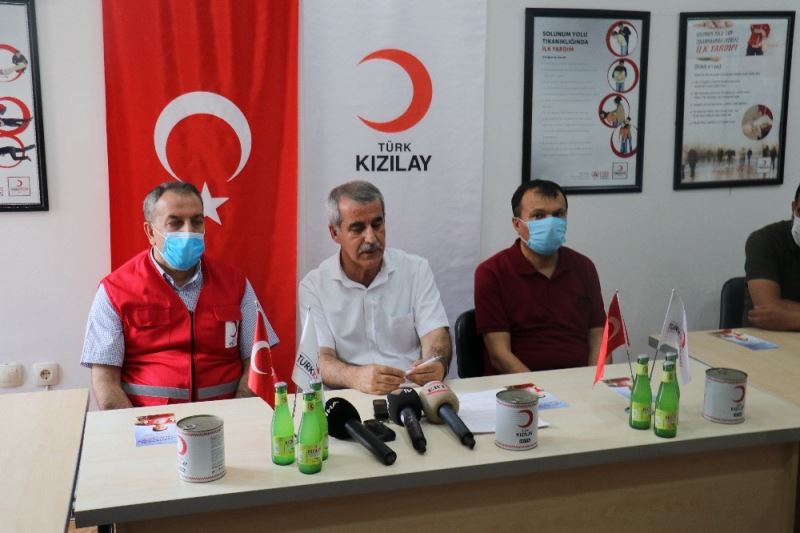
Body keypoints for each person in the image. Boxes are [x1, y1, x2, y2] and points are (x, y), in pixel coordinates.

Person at [81, 181, 278, 409]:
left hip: (225, 418)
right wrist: (138, 427)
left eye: (196, 221)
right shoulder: (115, 290)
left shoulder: (236, 284)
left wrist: (239, 413)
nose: (188, 232)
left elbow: (258, 359)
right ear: (150, 232)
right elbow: (105, 382)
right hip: (148, 422)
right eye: (175, 223)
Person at [299, 180, 451, 395]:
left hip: (411, 392)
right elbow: (320, 360)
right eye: (357, 228)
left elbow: (436, 334)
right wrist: (356, 377)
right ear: (334, 233)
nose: (371, 238)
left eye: (377, 225)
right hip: (348, 397)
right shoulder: (314, 286)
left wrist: (436, 363)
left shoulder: (415, 269)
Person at [474, 179, 605, 375]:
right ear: (517, 224)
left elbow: (599, 339)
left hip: (580, 383)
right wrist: (540, 389)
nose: (550, 224)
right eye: (539, 216)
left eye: (558, 214)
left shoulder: (584, 267)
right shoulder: (492, 272)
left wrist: (593, 382)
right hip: (519, 387)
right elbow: (499, 355)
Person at [744, 182, 800, 331]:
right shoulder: (764, 240)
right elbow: (767, 308)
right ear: (793, 207)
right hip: (765, 338)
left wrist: (789, 317)